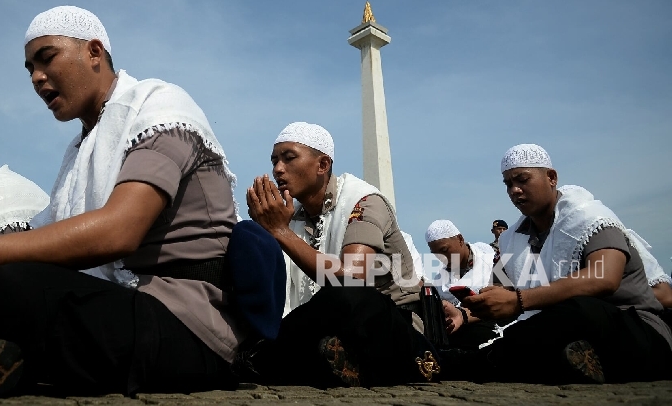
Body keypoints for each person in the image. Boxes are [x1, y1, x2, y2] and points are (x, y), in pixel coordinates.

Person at [0, 5, 245, 398]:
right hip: (134, 313)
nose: (37, 78)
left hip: (190, 328)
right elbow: (35, 237)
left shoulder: (160, 107)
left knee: (16, 287)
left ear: (94, 52)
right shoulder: (82, 149)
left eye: (47, 58)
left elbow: (120, 230)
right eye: (29, 70)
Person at [446, 144, 672, 384]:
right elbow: (499, 293)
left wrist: (519, 301)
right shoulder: (512, 238)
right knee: (481, 332)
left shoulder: (589, 218)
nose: (515, 190)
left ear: (551, 178)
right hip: (557, 329)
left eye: (522, 180)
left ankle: (480, 362)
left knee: (581, 309)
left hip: (633, 330)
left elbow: (604, 277)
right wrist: (464, 313)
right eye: (508, 184)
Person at [244, 122, 437, 387]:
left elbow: (351, 277)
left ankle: (266, 357)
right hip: (324, 325)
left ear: (322, 165)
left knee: (348, 294)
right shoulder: (293, 215)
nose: (278, 169)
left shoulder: (365, 202)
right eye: (274, 161)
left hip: (389, 325)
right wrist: (262, 232)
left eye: (289, 158)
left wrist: (280, 232)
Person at [424, 219, 496, 347]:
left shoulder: (492, 262)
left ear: (460, 239)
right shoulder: (438, 281)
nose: (442, 258)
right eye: (436, 254)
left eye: (444, 250)